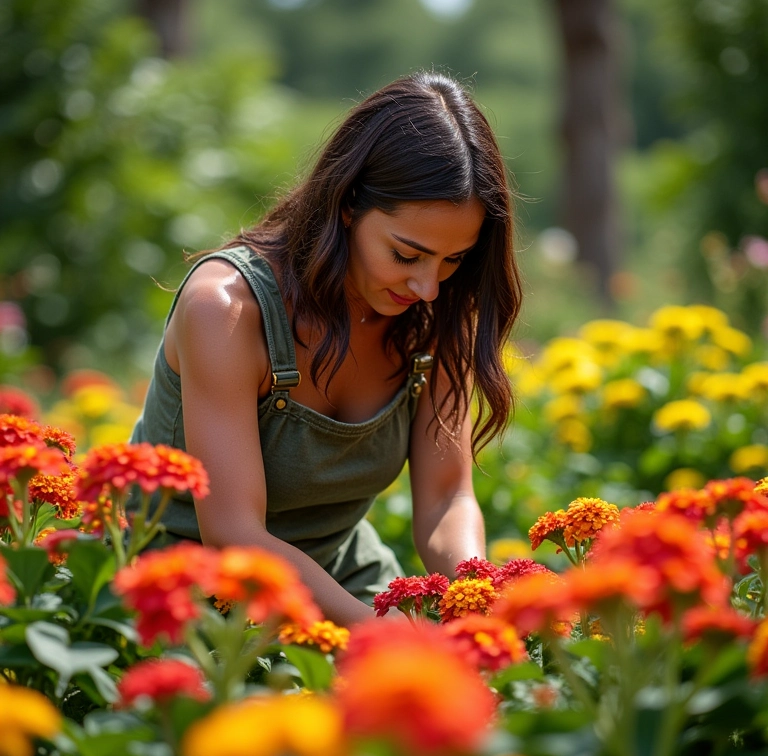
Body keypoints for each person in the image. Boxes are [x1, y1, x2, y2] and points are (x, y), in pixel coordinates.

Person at [129, 71, 522, 626]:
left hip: (343, 581)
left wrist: (475, 602)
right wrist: (378, 636)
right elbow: (234, 534)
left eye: (453, 260)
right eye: (407, 256)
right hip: (182, 589)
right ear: (346, 205)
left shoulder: (437, 314)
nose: (429, 286)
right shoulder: (226, 309)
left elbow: (445, 500)